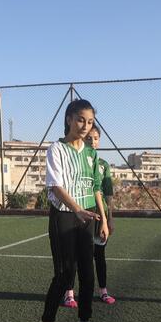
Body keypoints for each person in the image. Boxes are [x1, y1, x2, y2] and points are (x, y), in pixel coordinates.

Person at [39, 99, 109, 322]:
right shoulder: (55, 149)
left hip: (88, 214)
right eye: (81, 119)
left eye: (90, 122)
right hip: (65, 215)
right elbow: (55, 186)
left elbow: (96, 188)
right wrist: (76, 209)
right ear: (69, 118)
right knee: (64, 273)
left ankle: (85, 321)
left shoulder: (91, 153)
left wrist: (103, 219)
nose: (85, 126)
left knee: (88, 274)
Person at [62, 125, 116, 306]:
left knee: (99, 256)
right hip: (79, 215)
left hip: (98, 216)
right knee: (75, 256)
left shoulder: (102, 165)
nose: (92, 141)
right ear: (82, 139)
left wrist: (109, 219)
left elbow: (106, 194)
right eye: (89, 138)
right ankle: (69, 293)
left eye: (95, 138)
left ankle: (103, 291)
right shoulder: (76, 160)